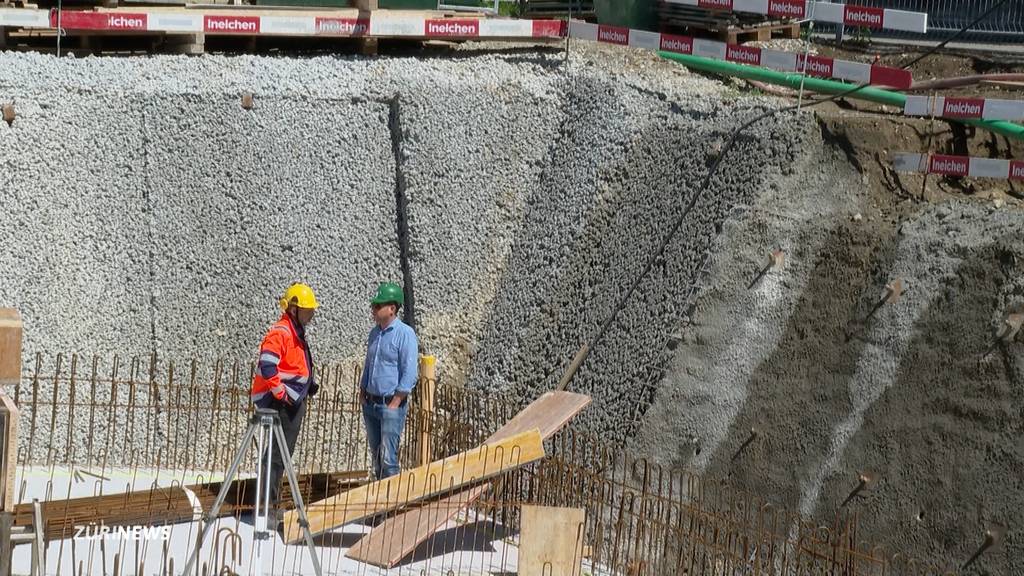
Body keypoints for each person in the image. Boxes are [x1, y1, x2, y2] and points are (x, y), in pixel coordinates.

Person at [249, 283, 320, 523]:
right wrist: (283, 394)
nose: (311, 315)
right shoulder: (282, 331)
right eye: (308, 310)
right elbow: (268, 364)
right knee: (277, 455)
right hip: (281, 402)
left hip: (290, 400)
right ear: (293, 309)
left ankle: (271, 504)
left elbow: (293, 366)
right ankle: (267, 508)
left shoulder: (294, 330)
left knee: (281, 454)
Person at [360, 282, 418, 480]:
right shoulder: (375, 333)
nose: (373, 310)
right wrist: (363, 391)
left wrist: (395, 402)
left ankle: (391, 507)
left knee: (388, 459)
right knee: (376, 458)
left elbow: (409, 372)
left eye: (378, 306)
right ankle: (380, 505)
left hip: (390, 404)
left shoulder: (405, 334)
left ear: (392, 308)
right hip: (371, 403)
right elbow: (369, 365)